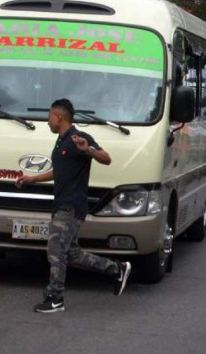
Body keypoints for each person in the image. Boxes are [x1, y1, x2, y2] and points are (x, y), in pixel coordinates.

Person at [15, 98, 131, 313]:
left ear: (59, 117)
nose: (47, 120)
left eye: (50, 116)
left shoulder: (80, 138)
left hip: (71, 206)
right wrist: (32, 179)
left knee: (55, 250)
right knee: (71, 254)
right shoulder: (61, 141)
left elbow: (106, 158)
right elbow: (58, 171)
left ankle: (55, 297)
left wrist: (88, 150)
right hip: (61, 204)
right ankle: (117, 269)